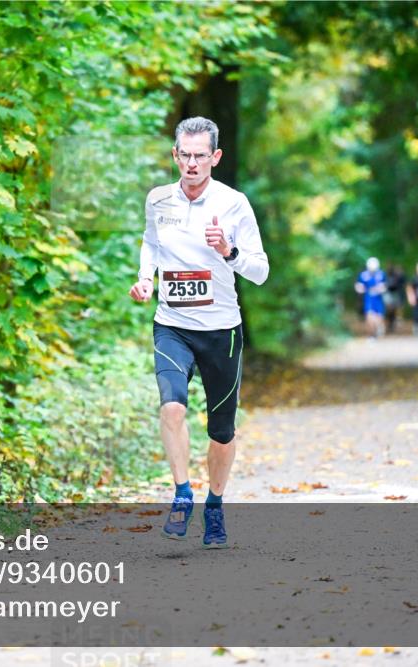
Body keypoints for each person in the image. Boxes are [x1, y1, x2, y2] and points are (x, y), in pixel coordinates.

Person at [128, 117, 269, 548]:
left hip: (221, 330)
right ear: (175, 155)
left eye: (200, 156)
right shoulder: (158, 201)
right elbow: (150, 243)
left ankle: (215, 506)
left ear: (215, 157)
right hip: (173, 324)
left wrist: (229, 251)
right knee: (171, 407)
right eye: (184, 155)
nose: (191, 164)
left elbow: (261, 271)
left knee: (221, 431)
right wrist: (146, 278)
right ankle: (182, 494)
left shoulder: (233, 204)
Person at [354, 257, 387, 339]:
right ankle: (372, 335)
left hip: (378, 299)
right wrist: (360, 289)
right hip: (368, 299)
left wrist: (381, 288)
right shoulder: (363, 275)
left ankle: (378, 329)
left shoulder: (381, 274)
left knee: (379, 318)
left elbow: (384, 286)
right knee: (369, 317)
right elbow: (358, 285)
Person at [384, 264, 406, 334]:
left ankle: (392, 324)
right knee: (389, 310)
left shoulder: (397, 276)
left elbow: (401, 283)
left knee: (394, 310)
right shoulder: (385, 276)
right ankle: (390, 324)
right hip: (389, 294)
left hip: (394, 294)